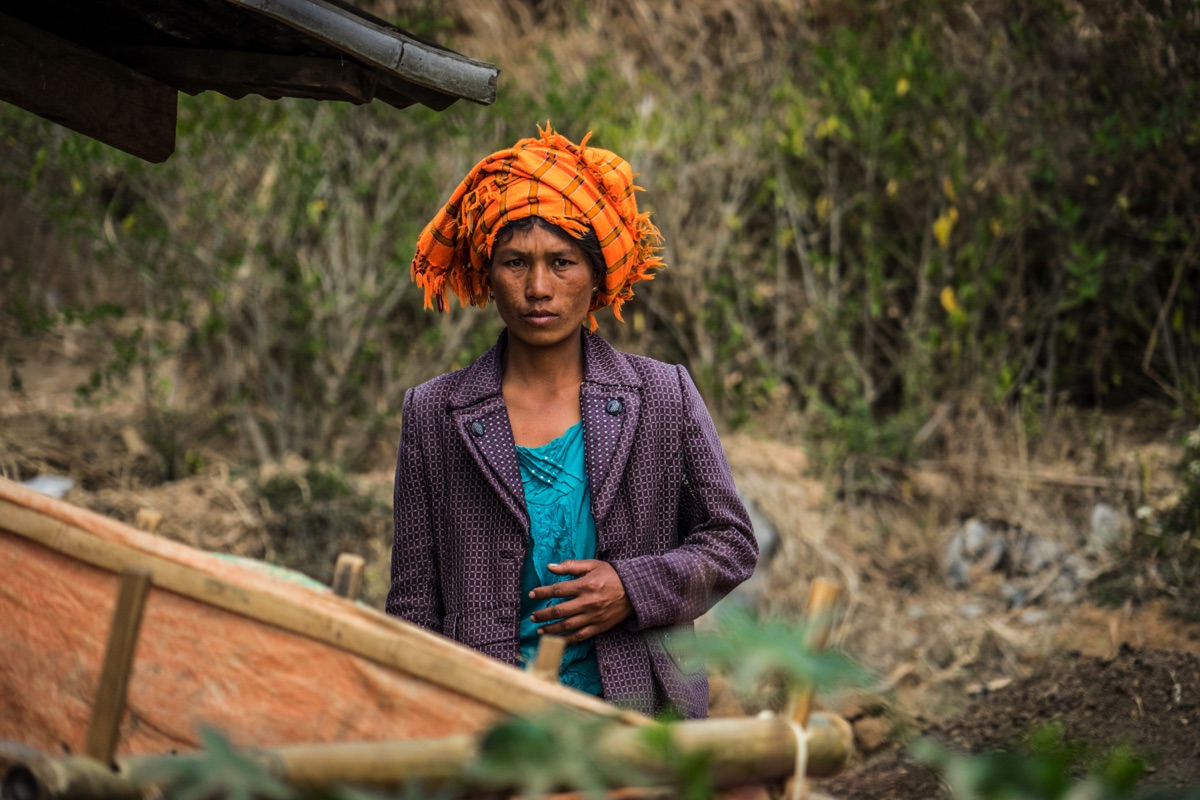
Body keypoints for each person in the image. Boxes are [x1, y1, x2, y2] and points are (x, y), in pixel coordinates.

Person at [385, 126, 757, 718]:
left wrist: (631, 588)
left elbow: (731, 543)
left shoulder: (663, 396)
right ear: (488, 275)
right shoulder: (434, 414)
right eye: (515, 263)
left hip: (638, 718)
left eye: (561, 263)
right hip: (489, 725)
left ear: (597, 273)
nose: (538, 288)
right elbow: (412, 603)